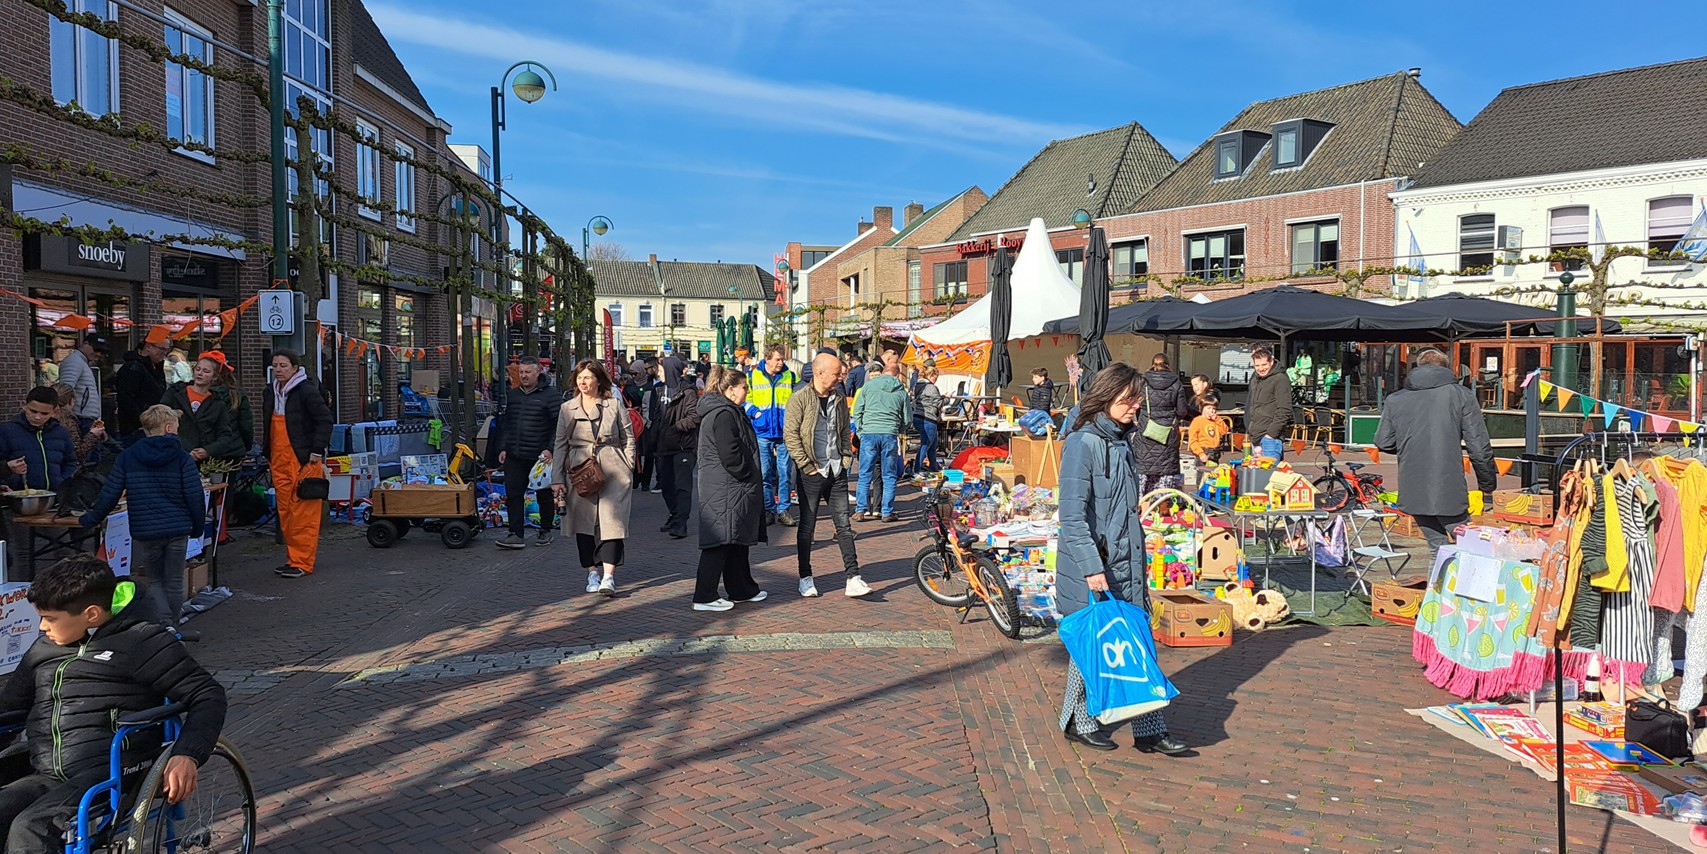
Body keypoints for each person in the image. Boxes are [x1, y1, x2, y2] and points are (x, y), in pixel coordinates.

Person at [0, 555, 226, 852]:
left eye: (50, 618)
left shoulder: (141, 641)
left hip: (113, 771)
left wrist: (188, 754)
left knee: (30, 829)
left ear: (91, 614)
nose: (42, 627)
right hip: (47, 769)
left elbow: (207, 694)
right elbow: (9, 707)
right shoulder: (43, 649)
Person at [1054, 363, 1188, 756]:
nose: (1135, 407)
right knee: (1095, 645)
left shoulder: (1122, 440)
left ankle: (1149, 728)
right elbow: (1072, 516)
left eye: (1137, 400)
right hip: (1095, 565)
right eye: (1129, 399)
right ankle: (1079, 721)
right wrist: (1092, 568)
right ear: (1107, 397)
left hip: (1126, 560)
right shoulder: (1083, 444)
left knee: (1134, 641)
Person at [79, 405, 205, 628]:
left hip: (145, 529)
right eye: (176, 426)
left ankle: (163, 623)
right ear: (168, 428)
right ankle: (172, 625)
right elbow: (194, 496)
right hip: (177, 528)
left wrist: (90, 518)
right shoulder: (182, 458)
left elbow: (110, 493)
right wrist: (197, 526)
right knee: (174, 581)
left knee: (155, 580)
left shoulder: (128, 457)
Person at [1374, 347, 1497, 552]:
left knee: (1437, 549)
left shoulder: (1395, 399)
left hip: (1412, 486)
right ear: (1447, 369)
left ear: (1418, 367)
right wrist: (1488, 485)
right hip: (1448, 487)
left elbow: (1383, 441)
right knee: (1474, 547)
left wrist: (1411, 444)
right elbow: (1478, 446)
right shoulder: (1461, 395)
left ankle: (1437, 584)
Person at [783, 352, 868, 598]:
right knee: (807, 525)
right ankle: (805, 576)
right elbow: (791, 435)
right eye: (836, 373)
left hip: (836, 469)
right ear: (819, 374)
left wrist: (845, 459)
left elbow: (843, 430)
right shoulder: (799, 399)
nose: (840, 377)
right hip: (811, 471)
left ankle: (853, 577)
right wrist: (806, 465)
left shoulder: (839, 399)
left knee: (843, 523)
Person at [552, 360, 635, 598]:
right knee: (583, 522)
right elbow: (560, 445)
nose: (583, 382)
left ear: (599, 380)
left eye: (588, 377)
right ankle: (591, 571)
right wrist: (557, 478)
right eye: (579, 377)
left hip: (612, 468)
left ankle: (608, 576)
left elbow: (628, 436)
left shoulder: (614, 405)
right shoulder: (567, 408)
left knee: (613, 522)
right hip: (579, 470)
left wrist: (627, 466)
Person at [691, 367, 767, 611]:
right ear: (731, 389)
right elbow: (730, 453)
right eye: (745, 387)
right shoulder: (723, 414)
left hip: (728, 486)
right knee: (720, 542)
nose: (747, 392)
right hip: (726, 486)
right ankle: (704, 596)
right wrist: (747, 473)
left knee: (735, 542)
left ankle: (742, 589)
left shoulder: (726, 411)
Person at [263, 350, 332, 579]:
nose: (279, 369)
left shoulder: (307, 392)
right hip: (279, 459)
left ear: (294, 367)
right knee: (286, 512)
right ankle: (293, 558)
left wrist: (316, 450)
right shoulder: (270, 392)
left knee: (303, 514)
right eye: (275, 365)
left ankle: (302, 561)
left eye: (283, 365)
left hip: (303, 460)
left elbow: (325, 420)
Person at [495, 357, 560, 549]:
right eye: (521, 372)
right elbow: (508, 423)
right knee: (513, 494)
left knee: (543, 494)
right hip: (515, 454)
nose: (523, 375)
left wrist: (550, 448)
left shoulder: (551, 395)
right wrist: (503, 447)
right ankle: (515, 534)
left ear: (537, 372)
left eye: (527, 372)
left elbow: (559, 425)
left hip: (540, 456)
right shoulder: (513, 395)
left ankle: (545, 530)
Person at [160, 351, 247, 466]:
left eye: (206, 371)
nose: (200, 373)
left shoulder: (218, 404)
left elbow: (225, 435)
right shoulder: (175, 393)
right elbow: (159, 421)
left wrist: (208, 450)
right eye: (198, 369)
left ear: (214, 377)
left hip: (205, 461)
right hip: (175, 456)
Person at [747, 346, 798, 527]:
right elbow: (746, 398)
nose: (781, 362)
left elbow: (797, 398)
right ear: (767, 359)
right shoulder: (752, 376)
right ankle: (769, 509)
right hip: (763, 431)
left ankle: (783, 509)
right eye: (777, 359)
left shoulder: (790, 376)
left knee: (784, 473)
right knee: (764, 473)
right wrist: (755, 413)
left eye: (782, 359)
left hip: (784, 431)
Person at [852, 362, 909, 522]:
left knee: (864, 474)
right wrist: (899, 429)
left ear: (883, 372)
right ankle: (886, 512)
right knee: (889, 476)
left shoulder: (868, 387)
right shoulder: (901, 392)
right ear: (897, 375)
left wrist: (861, 431)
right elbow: (907, 418)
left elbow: (858, 410)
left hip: (869, 433)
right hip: (890, 433)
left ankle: (860, 510)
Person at [1132, 354, 1190, 496]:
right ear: (1168, 364)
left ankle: (1141, 502)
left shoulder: (1142, 382)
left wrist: (1143, 418)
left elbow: (1135, 405)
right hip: (1168, 432)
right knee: (1166, 469)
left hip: (1146, 429)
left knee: (1144, 467)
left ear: (1152, 364)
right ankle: (1162, 502)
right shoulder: (1176, 383)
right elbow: (1182, 411)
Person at [0, 387, 76, 492]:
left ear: (55, 412)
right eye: (33, 411)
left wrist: (63, 483)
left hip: (55, 498)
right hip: (17, 498)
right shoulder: (7, 431)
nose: (37, 417)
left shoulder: (61, 433)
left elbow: (70, 462)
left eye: (44, 413)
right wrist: (6, 470)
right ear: (24, 406)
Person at [656, 362, 701, 539]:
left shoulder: (688, 392)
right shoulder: (659, 391)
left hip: (684, 446)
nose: (658, 373)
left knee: (682, 486)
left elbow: (694, 417)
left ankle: (681, 523)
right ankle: (674, 515)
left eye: (661, 370)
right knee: (666, 485)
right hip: (664, 447)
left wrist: (675, 427)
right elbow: (656, 415)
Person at [115, 327, 170, 447]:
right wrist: (142, 421)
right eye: (161, 349)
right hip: (137, 429)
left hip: (151, 425)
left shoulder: (155, 368)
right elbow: (126, 399)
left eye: (166, 350)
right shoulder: (133, 368)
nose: (164, 354)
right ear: (149, 347)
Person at [1245, 346, 1292, 461]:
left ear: (1271, 362)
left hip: (1270, 439)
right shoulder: (1255, 379)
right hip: (1255, 437)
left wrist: (1271, 434)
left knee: (1269, 476)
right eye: (1257, 365)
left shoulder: (1280, 379)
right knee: (1257, 477)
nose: (1260, 368)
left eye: (1264, 365)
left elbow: (1285, 409)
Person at [56, 334, 105, 437]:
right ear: (85, 344)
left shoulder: (80, 362)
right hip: (81, 418)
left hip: (84, 417)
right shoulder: (75, 361)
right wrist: (67, 415)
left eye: (102, 351)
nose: (98, 354)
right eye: (96, 349)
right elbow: (65, 390)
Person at [52, 383, 106, 466]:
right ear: (71, 401)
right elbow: (77, 452)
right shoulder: (67, 421)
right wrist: (93, 435)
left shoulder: (47, 418)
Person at [638, 364, 666, 493]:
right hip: (648, 424)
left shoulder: (661, 386)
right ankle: (645, 482)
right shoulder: (649, 386)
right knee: (649, 455)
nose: (646, 371)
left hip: (658, 424)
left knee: (658, 455)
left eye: (648, 368)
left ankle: (660, 481)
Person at [912, 366, 945, 472]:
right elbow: (938, 403)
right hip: (928, 418)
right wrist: (947, 398)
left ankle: (934, 467)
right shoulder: (931, 387)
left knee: (932, 445)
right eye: (936, 377)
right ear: (931, 375)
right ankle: (916, 469)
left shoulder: (918, 385)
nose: (936, 380)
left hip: (917, 416)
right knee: (926, 444)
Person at [1188, 396, 1230, 471]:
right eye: (1208, 408)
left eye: (1214, 408)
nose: (1212, 411)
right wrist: (1200, 453)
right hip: (1204, 451)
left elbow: (1224, 431)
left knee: (1214, 475)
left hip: (1215, 451)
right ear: (1202, 408)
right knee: (1202, 475)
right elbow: (1193, 440)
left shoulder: (1216, 421)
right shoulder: (1197, 421)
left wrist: (1217, 419)